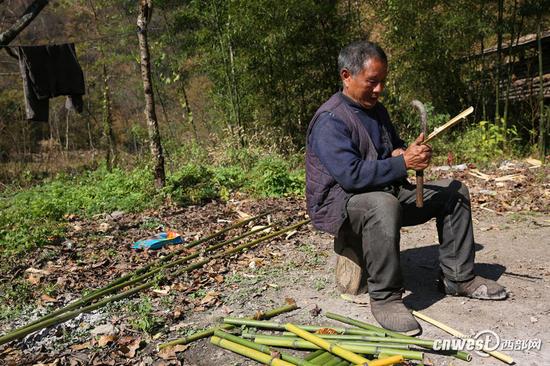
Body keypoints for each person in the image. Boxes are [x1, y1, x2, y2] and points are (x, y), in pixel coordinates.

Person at [305, 40, 507, 336]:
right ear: (346, 76)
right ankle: (385, 297)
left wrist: (405, 153)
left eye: (382, 82)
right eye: (372, 82)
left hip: (384, 189)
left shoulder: (377, 110)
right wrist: (402, 164)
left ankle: (458, 277)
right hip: (342, 205)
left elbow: (392, 148)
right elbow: (351, 176)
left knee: (454, 192)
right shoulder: (330, 120)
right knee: (382, 205)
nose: (379, 90)